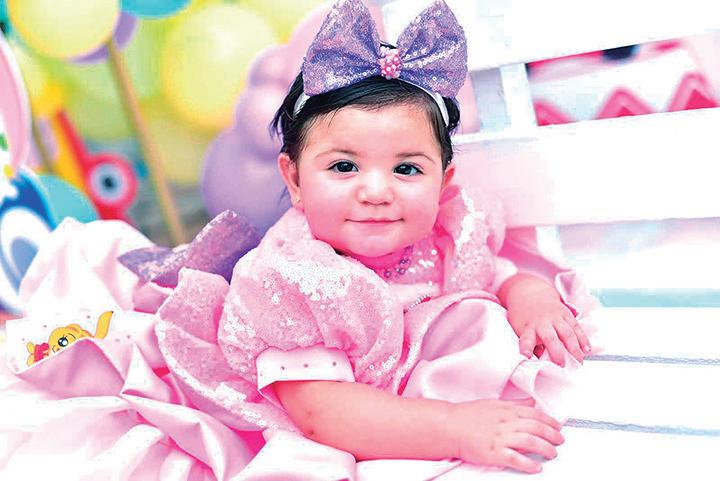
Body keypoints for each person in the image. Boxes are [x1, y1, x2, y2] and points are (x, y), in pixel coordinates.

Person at [2, 1, 596, 478]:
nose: (376, 191)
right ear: (294, 180)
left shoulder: (448, 227)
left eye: (407, 169)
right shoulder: (292, 282)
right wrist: (456, 428)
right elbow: (322, 413)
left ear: (444, 180)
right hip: (291, 404)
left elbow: (487, 271)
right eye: (343, 166)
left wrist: (527, 295)